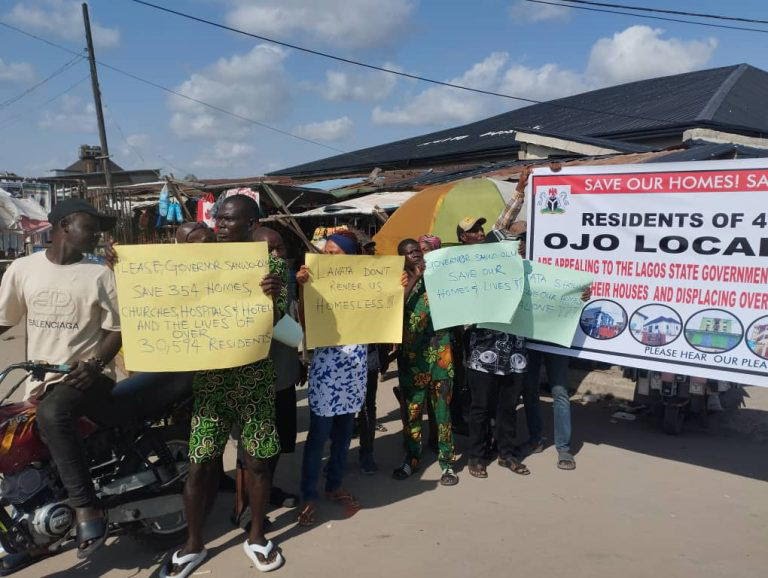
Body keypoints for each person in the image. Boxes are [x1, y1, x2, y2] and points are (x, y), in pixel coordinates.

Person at [160, 195, 286, 576]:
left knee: (258, 461)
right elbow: (154, 289)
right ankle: (194, 544)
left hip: (254, 381)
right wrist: (124, 267)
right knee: (200, 464)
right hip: (211, 382)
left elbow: (280, 323)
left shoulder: (271, 265)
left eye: (230, 220)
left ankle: (257, 535)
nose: (221, 225)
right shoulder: (198, 262)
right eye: (219, 218)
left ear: (251, 223)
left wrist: (275, 296)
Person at [0, 199, 123, 560]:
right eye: (91, 225)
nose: (98, 233)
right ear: (64, 226)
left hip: (88, 379)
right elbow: (4, 319)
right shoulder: (23, 269)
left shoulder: (100, 274)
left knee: (53, 415)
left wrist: (95, 362)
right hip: (39, 382)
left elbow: (119, 328)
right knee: (16, 448)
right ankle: (32, 536)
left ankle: (87, 508)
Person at [296, 233, 367, 525]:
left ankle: (334, 485)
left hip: (354, 367)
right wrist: (302, 289)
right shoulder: (315, 282)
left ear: (349, 257)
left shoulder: (363, 283)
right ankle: (308, 494)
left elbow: (385, 309)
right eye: (325, 252)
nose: (327, 257)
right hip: (327, 368)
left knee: (343, 433)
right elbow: (303, 319)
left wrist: (401, 284)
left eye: (334, 252)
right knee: (318, 435)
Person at [393, 238, 458, 486]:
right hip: (412, 358)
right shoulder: (397, 280)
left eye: (417, 251)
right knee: (413, 411)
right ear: (402, 258)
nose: (415, 255)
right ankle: (412, 458)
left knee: (442, 410)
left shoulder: (439, 274)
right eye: (408, 253)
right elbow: (393, 306)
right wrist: (416, 279)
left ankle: (447, 463)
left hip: (440, 354)